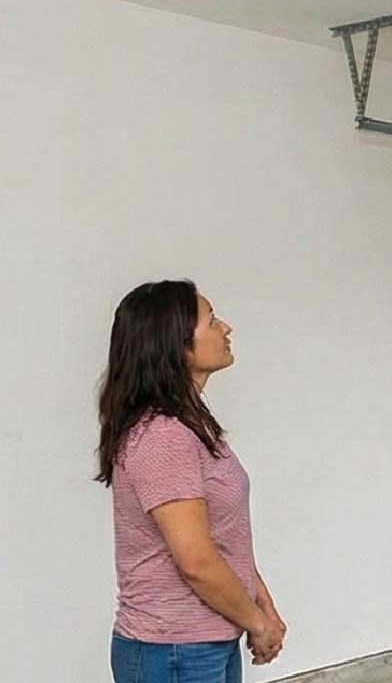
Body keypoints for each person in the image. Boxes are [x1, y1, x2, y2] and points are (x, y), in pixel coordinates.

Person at [96, 280, 286, 683]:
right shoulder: (163, 436)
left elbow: (223, 538)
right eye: (212, 320)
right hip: (173, 652)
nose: (226, 327)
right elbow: (196, 562)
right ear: (177, 345)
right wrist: (257, 622)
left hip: (205, 642)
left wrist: (262, 604)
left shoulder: (190, 425)